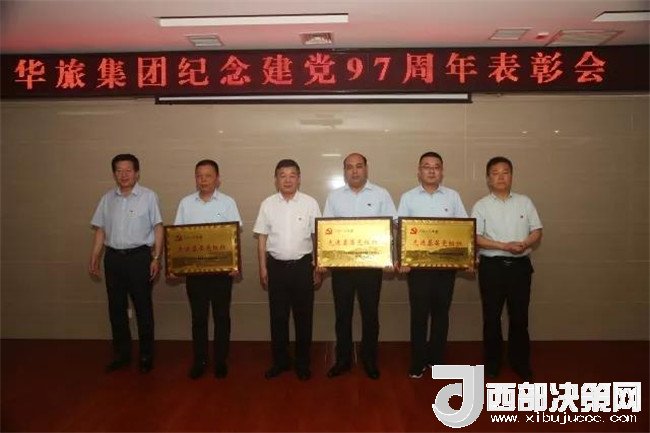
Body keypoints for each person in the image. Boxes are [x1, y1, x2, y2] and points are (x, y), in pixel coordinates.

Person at [322, 153, 397, 379]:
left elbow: (391, 229)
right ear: (344, 171)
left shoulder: (381, 194)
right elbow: (327, 232)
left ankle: (369, 359)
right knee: (342, 315)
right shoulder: (334, 197)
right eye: (349, 167)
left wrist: (388, 258)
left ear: (366, 168)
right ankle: (343, 360)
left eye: (359, 166)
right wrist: (324, 260)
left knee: (370, 315)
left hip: (371, 268)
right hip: (342, 268)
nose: (354, 171)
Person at [88, 153, 163, 374]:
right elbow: (101, 230)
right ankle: (122, 354)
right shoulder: (107, 199)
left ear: (137, 173)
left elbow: (158, 227)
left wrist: (156, 258)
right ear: (114, 174)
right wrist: (95, 255)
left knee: (143, 308)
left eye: (128, 170)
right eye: (119, 171)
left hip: (139, 258)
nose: (124, 175)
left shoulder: (149, 196)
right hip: (113, 259)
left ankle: (146, 355)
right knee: (116, 309)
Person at [397, 151, 468, 379]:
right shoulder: (408, 197)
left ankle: (437, 360)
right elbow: (402, 232)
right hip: (417, 269)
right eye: (426, 166)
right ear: (419, 171)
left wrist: (467, 258)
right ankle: (418, 362)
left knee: (441, 314)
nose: (431, 170)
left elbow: (463, 230)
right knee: (419, 315)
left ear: (442, 171)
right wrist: (404, 260)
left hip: (445, 268)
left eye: (436, 167)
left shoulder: (453, 197)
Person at [471, 156, 542, 381]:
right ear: (488, 178)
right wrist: (504, 246)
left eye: (505, 172)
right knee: (491, 318)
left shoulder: (525, 202)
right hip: (492, 267)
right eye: (495, 173)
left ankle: (520, 362)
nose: (500, 177)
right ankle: (492, 363)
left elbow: (537, 230)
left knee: (519, 317)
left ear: (511, 176)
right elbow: (475, 237)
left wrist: (525, 243)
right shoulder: (481, 205)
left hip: (520, 267)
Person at [173, 159, 242, 379]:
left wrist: (235, 264)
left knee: (222, 317)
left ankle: (221, 360)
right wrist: (176, 266)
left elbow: (234, 237)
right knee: (198, 318)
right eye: (199, 176)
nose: (203, 180)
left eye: (208, 176)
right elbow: (178, 238)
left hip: (221, 273)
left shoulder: (228, 202)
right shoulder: (186, 203)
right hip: (195, 273)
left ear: (217, 179)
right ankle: (200, 360)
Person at [253, 159, 321, 381]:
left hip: (303, 266)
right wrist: (262, 267)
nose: (288, 180)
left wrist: (318, 266)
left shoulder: (310, 203)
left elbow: (318, 237)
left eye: (292, 175)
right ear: (276, 180)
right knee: (278, 317)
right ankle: (280, 362)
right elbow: (262, 238)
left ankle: (302, 363)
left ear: (299, 179)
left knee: (304, 317)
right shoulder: (267, 204)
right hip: (276, 267)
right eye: (283, 175)